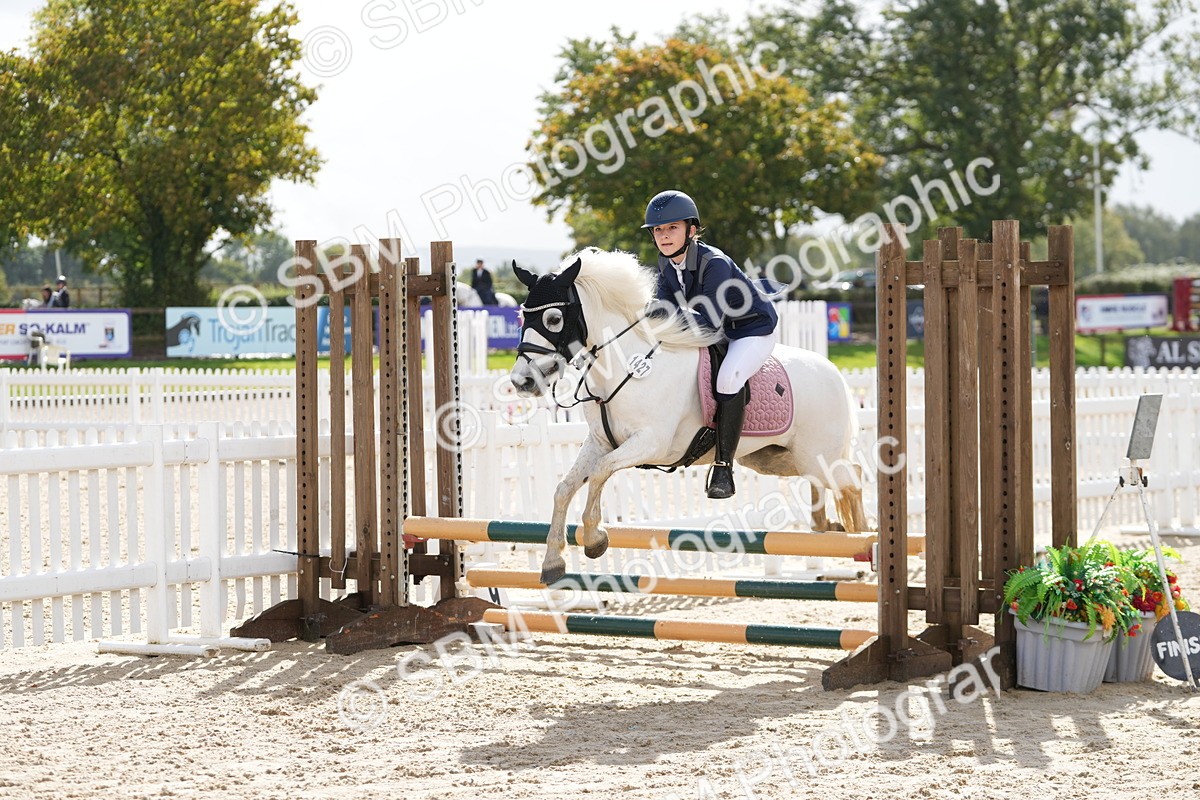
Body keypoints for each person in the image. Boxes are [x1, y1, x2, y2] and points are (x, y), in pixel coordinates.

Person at [643, 189, 779, 499]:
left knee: (728, 378)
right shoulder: (665, 265)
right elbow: (667, 315)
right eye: (658, 230)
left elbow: (707, 320)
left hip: (750, 329)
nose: (664, 236)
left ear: (691, 230)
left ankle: (723, 466)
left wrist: (659, 313)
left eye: (672, 228)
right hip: (714, 329)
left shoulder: (713, 262)